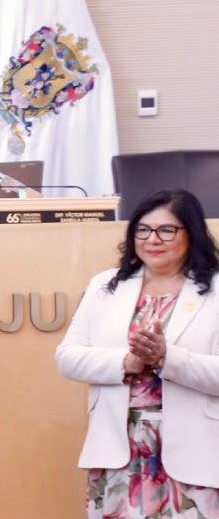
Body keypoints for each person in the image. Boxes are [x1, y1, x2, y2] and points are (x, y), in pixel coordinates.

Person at [55, 189, 219, 518]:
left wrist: (166, 359)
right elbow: (67, 357)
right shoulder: (107, 286)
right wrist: (127, 362)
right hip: (118, 453)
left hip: (195, 453)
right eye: (143, 230)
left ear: (193, 234)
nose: (152, 239)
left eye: (167, 230)